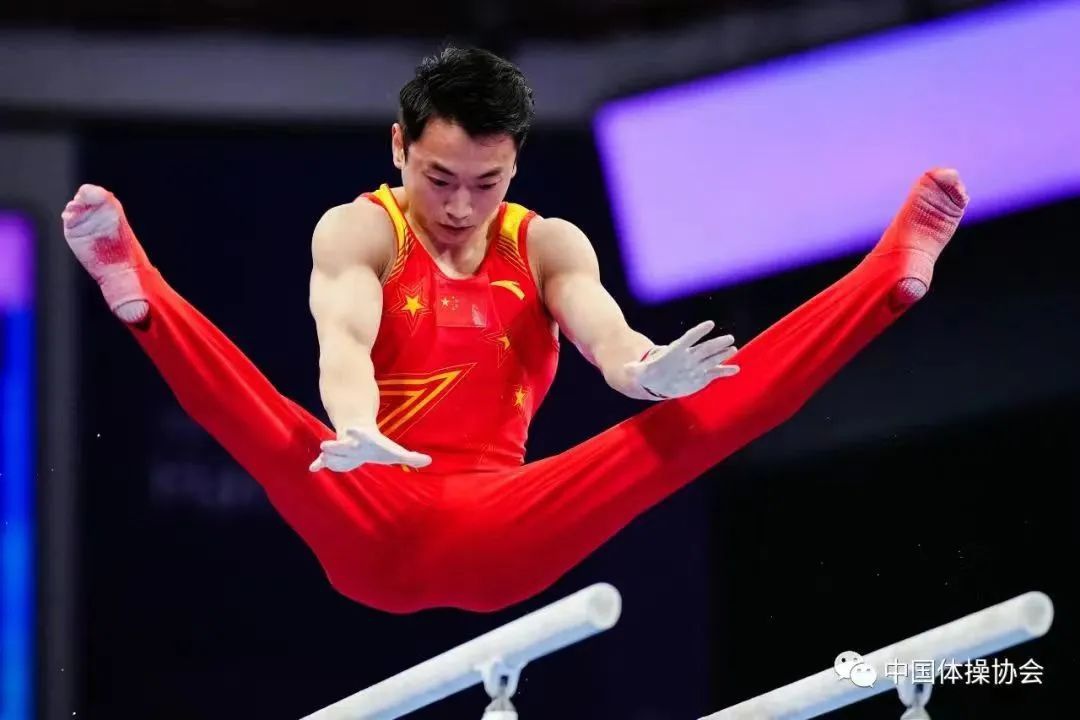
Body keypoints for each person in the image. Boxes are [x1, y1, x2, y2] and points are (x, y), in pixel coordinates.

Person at [61, 46, 968, 614]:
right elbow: (343, 337)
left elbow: (605, 333)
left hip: (507, 526)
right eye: (438, 177)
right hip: (370, 502)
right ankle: (140, 293)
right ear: (398, 147)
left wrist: (646, 372)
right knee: (269, 426)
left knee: (698, 420)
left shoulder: (546, 245)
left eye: (485, 182)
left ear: (516, 163)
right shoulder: (359, 230)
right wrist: (355, 425)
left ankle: (884, 283)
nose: (460, 205)